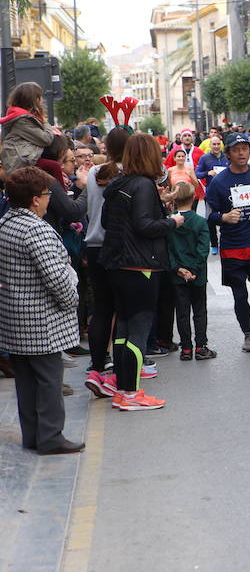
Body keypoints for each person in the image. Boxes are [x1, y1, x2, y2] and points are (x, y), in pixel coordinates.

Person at [0, 167, 84, 454]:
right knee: (49, 380)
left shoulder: (7, 223)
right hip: (41, 319)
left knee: (26, 382)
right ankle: (50, 437)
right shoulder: (36, 228)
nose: (50, 199)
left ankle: (34, 435)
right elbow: (55, 275)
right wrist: (71, 298)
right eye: (47, 194)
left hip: (15, 317)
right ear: (35, 199)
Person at [99, 134, 183, 410]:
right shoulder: (143, 186)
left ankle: (123, 389)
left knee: (123, 329)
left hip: (117, 266)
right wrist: (172, 221)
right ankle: (132, 394)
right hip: (141, 268)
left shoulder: (117, 184)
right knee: (138, 331)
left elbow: (105, 222)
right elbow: (144, 226)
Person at [206, 132, 250, 352]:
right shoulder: (219, 182)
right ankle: (248, 334)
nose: (241, 153)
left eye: (244, 149)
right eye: (236, 149)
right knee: (239, 296)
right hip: (232, 248)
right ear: (228, 153)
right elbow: (209, 214)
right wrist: (223, 217)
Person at [82, 128, 129, 393]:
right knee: (124, 310)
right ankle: (122, 371)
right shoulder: (128, 175)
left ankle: (97, 367)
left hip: (94, 245)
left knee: (101, 309)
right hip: (120, 248)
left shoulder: (92, 173)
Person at [165, 180, 216, 362]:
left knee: (182, 312)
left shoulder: (169, 222)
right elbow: (203, 249)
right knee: (200, 311)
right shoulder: (200, 222)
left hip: (177, 275)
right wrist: (193, 269)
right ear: (194, 197)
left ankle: (186, 348)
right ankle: (201, 346)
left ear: (174, 199)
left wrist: (178, 269)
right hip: (198, 274)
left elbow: (168, 250)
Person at [0, 82, 56, 173]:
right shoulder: (22, 120)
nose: (42, 100)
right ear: (34, 99)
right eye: (40, 96)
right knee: (54, 167)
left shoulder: (20, 116)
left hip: (24, 159)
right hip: (22, 162)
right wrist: (45, 122)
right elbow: (46, 139)